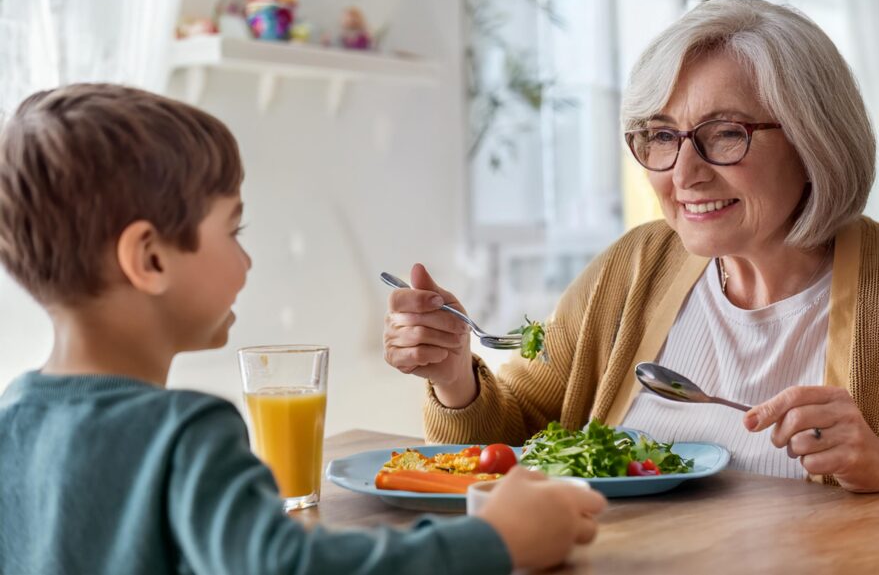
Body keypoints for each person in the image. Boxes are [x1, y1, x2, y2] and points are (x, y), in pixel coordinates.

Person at [383, 0, 879, 505]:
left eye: (724, 134)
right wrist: (454, 377)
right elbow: (515, 436)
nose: (684, 172)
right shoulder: (637, 265)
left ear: (814, 141)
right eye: (661, 135)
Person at [0, 83, 605, 575]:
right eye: (233, 232)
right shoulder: (185, 436)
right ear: (150, 259)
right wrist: (494, 540)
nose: (247, 260)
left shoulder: (13, 420)